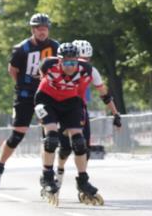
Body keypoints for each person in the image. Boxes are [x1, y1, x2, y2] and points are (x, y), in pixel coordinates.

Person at [34, 42, 116, 205]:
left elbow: (102, 93)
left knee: (79, 142)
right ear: (59, 61)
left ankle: (83, 181)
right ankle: (47, 176)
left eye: (73, 62)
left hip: (70, 102)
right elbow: (39, 82)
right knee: (51, 138)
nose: (70, 66)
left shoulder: (87, 69)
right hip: (47, 100)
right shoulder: (48, 65)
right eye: (66, 62)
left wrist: (115, 113)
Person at [0, 13, 60, 192]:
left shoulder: (55, 47)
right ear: (32, 30)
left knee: (50, 137)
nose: (42, 32)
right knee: (17, 135)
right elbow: (12, 70)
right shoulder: (22, 49)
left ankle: (47, 174)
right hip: (25, 95)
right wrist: (24, 85)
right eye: (39, 29)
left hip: (46, 95)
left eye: (45, 29)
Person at [53, 39, 122, 187]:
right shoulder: (57, 69)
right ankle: (59, 172)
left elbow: (105, 95)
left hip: (79, 109)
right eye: (80, 59)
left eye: (87, 59)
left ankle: (82, 180)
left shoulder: (91, 71)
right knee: (65, 148)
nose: (83, 63)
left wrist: (115, 113)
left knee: (83, 147)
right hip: (60, 109)